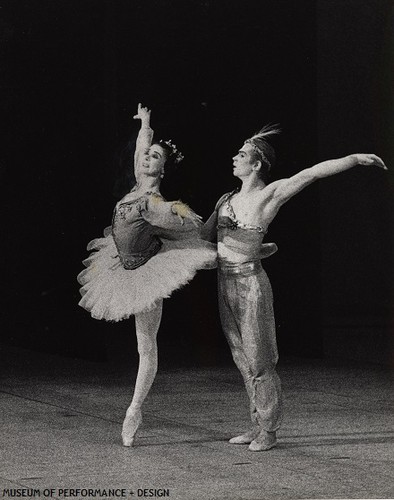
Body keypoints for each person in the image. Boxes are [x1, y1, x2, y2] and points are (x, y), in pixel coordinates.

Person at [202, 125, 387, 452]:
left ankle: (269, 431)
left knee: (259, 360)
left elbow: (311, 174)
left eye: (241, 155)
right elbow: (207, 238)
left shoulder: (267, 196)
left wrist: (354, 158)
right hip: (224, 283)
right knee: (241, 359)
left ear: (256, 165)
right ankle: (256, 422)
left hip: (249, 285)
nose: (234, 158)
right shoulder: (226, 200)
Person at [78, 103, 216, 447]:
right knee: (143, 344)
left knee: (145, 345)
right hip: (119, 264)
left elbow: (181, 222)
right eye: (145, 157)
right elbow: (140, 147)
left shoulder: (153, 200)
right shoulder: (136, 184)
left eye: (154, 158)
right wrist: (147, 125)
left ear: (162, 170)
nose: (145, 159)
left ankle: (134, 409)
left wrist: (179, 216)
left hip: (148, 270)